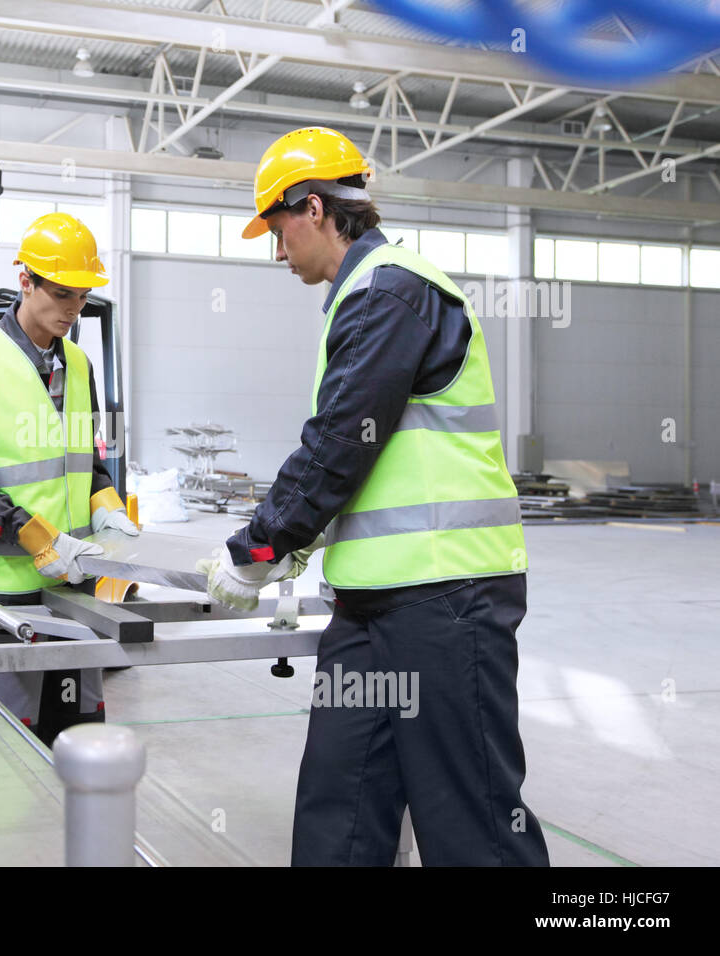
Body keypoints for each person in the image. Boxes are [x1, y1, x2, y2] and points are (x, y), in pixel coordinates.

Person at [201, 127, 549, 866]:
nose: (276, 248)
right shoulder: (363, 294)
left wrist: (257, 551)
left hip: (446, 598)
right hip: (370, 603)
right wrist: (311, 542)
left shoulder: (393, 288)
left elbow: (340, 441)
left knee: (471, 822)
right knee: (341, 805)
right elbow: (376, 453)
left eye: (277, 226)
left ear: (317, 208)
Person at [0, 212, 138, 746]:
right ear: (26, 281)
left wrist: (107, 503)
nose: (74, 308)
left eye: (83, 296)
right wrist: (33, 535)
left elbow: (82, 460)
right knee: (6, 755)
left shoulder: (80, 364)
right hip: (5, 596)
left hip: (75, 587)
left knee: (78, 738)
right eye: (63, 293)